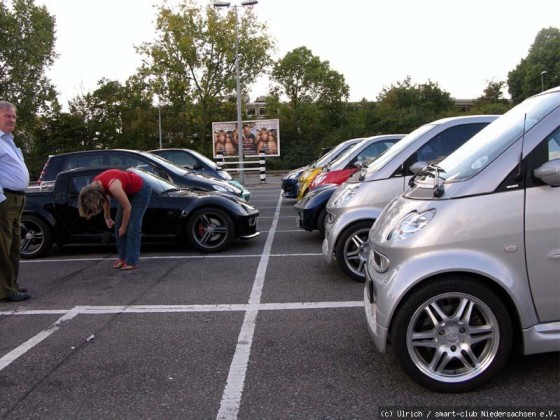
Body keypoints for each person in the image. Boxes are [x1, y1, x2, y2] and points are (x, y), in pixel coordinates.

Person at [78, 169, 151, 270]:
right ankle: (123, 258)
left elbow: (128, 208)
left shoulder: (114, 187)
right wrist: (107, 218)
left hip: (141, 190)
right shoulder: (95, 185)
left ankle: (131, 261)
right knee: (118, 226)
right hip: (126, 191)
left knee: (133, 227)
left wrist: (124, 227)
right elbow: (106, 200)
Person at [0, 101, 31, 301]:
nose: (11, 120)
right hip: (5, 199)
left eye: (13, 117)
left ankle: (11, 285)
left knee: (14, 246)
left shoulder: (8, 140)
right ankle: (5, 290)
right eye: (7, 116)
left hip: (17, 199)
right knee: (3, 246)